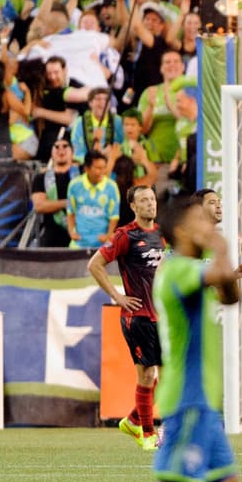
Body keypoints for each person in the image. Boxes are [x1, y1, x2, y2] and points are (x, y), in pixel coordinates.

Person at [150, 196, 242, 482]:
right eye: (201, 221)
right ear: (181, 232)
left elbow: (230, 296)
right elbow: (221, 275)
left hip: (204, 401)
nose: (210, 225)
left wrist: (221, 256)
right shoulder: (177, 269)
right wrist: (221, 247)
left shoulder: (190, 269)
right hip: (188, 397)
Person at [88, 185, 164, 450]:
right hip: (138, 316)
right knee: (146, 375)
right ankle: (147, 434)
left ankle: (133, 420)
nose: (150, 204)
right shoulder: (125, 235)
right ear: (133, 206)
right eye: (143, 200)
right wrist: (117, 297)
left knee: (167, 377)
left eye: (152, 199)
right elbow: (95, 264)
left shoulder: (163, 235)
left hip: (162, 317)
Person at [30, 137, 79, 247]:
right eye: (56, 147)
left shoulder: (82, 173)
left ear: (72, 152)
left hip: (81, 233)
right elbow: (39, 206)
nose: (61, 150)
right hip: (52, 236)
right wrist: (68, 203)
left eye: (65, 146)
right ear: (51, 153)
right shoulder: (41, 177)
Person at [67, 151, 119, 248]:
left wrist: (108, 235)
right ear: (87, 168)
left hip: (102, 244)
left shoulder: (112, 187)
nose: (102, 172)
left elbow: (114, 215)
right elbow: (71, 211)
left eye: (104, 167)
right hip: (79, 243)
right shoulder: (74, 185)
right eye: (98, 168)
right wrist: (71, 232)